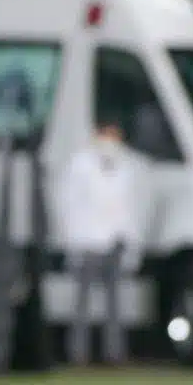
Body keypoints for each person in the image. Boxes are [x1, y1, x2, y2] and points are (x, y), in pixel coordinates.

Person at [60, 119, 142, 366]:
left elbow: (128, 206)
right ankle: (78, 353)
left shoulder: (125, 166)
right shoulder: (80, 165)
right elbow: (69, 205)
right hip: (87, 241)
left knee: (114, 303)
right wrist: (72, 242)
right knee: (82, 302)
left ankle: (114, 353)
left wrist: (130, 240)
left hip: (115, 240)